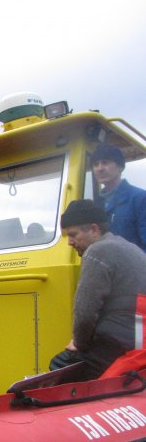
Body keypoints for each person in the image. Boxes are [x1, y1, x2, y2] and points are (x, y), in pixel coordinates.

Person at [49, 199, 146, 380]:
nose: (69, 242)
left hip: (122, 347)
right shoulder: (132, 249)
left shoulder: (98, 251)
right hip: (139, 342)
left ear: (94, 229)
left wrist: (79, 343)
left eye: (73, 234)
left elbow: (85, 313)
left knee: (61, 365)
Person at [91, 143, 146, 252]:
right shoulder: (94, 205)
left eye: (105, 162)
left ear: (120, 167)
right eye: (96, 164)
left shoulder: (140, 198)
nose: (99, 168)